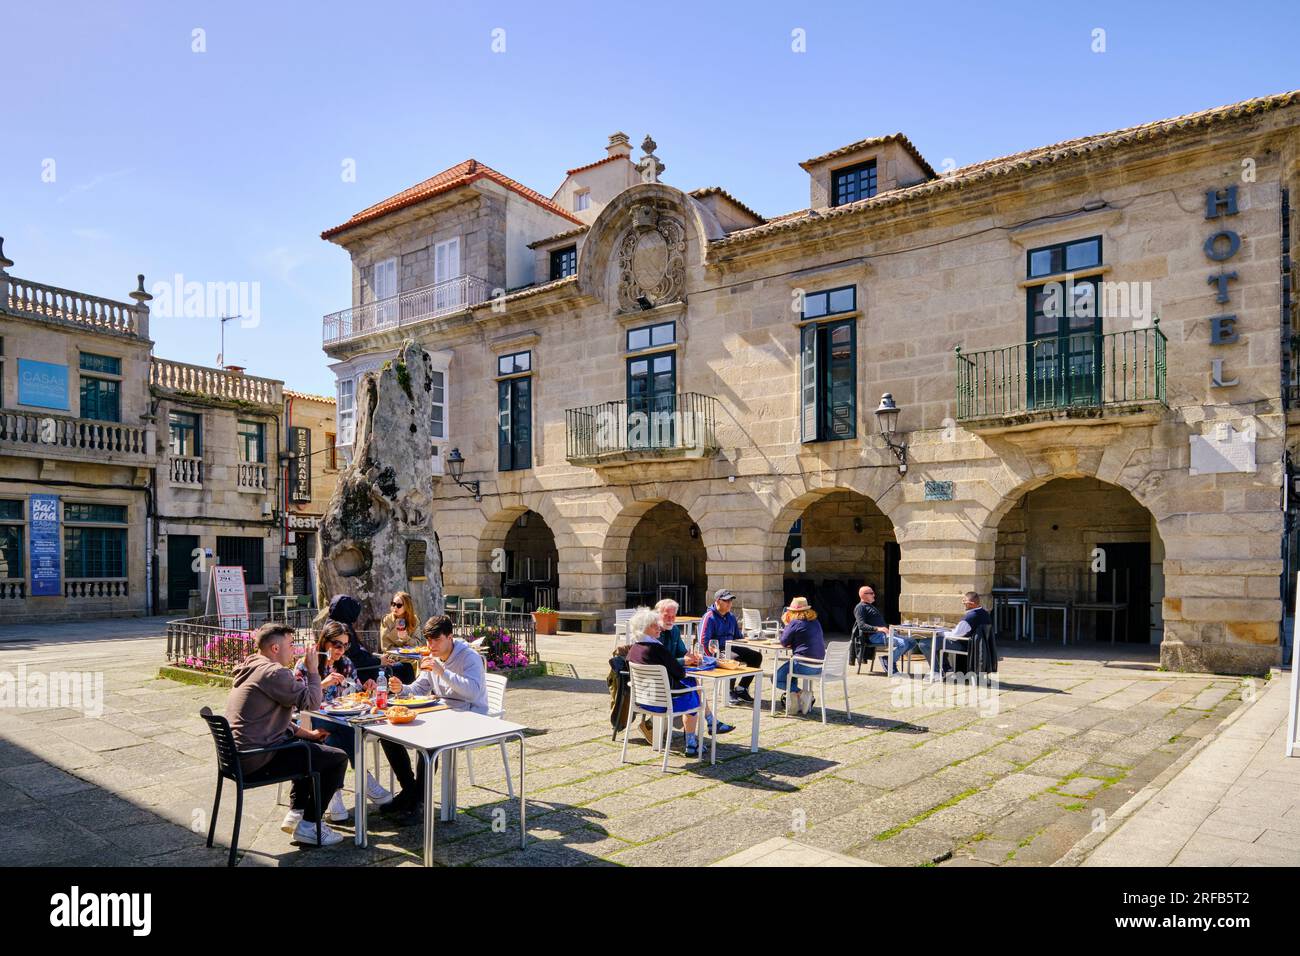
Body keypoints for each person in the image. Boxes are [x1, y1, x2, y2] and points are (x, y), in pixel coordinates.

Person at [225, 622, 348, 847]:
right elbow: (311, 703)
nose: (294, 650)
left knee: (308, 747)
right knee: (336, 758)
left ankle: (298, 812)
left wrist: (308, 734)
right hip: (257, 759)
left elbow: (273, 721)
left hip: (241, 757)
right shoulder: (273, 672)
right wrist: (313, 670)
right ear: (274, 649)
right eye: (291, 645)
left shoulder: (253, 666)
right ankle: (310, 826)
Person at [380, 614, 488, 816]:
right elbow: (420, 688)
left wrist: (442, 672)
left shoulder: (469, 657)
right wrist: (401, 688)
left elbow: (473, 692)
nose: (432, 645)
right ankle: (411, 791)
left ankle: (416, 802)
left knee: (429, 743)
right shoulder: (432, 656)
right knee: (387, 735)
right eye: (429, 640)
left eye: (437, 640)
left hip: (470, 714)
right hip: (442, 711)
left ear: (450, 637)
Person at [292, 622, 393, 821]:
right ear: (324, 642)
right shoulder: (306, 664)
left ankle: (335, 795)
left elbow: (355, 693)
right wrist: (322, 683)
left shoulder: (345, 663)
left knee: (338, 732)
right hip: (309, 720)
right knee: (342, 730)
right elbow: (298, 701)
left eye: (345, 645)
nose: (340, 650)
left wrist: (367, 687)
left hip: (338, 719)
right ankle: (364, 778)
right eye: (336, 644)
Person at [626, 606, 706, 757]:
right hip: (664, 703)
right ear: (644, 628)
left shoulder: (634, 649)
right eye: (654, 625)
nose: (659, 628)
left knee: (688, 686)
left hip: (643, 701)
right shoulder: (657, 649)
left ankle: (687, 737)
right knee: (693, 688)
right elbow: (680, 672)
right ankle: (691, 742)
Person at [656, 598, 732, 735]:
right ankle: (706, 726)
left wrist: (692, 657)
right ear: (657, 614)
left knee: (694, 684)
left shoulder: (674, 631)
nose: (670, 619)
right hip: (659, 683)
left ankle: (709, 723)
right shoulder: (653, 633)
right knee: (693, 687)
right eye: (666, 615)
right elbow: (660, 661)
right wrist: (683, 661)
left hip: (671, 676)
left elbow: (683, 652)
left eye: (673, 616)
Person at [699, 589, 761, 705]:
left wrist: (749, 639)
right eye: (726, 601)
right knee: (733, 659)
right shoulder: (709, 617)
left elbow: (738, 637)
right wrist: (711, 659)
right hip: (717, 650)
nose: (729, 604)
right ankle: (729, 690)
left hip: (732, 647)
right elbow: (703, 641)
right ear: (718, 601)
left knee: (756, 656)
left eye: (731, 601)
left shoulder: (731, 617)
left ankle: (742, 688)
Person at [853, 585, 919, 677]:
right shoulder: (860, 607)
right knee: (903, 643)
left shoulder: (870, 606)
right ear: (864, 595)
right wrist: (878, 629)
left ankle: (888, 659)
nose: (874, 595)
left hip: (884, 633)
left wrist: (891, 628)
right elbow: (861, 625)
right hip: (874, 636)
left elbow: (880, 623)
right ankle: (890, 662)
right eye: (871, 593)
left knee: (912, 641)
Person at [775, 597, 826, 715]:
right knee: (790, 675)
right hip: (818, 666)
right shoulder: (816, 622)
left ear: (792, 612)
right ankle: (795, 703)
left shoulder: (795, 623)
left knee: (777, 679)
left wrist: (787, 625)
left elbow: (783, 642)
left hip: (802, 664)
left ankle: (802, 694)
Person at [937, 592, 995, 676]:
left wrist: (941, 632)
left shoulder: (970, 617)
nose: (963, 603)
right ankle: (946, 669)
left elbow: (954, 636)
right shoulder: (985, 614)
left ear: (972, 604)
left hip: (967, 646)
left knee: (931, 643)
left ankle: (941, 672)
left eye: (965, 601)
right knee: (940, 642)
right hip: (978, 646)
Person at [328, 594, 382, 684]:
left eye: (345, 645)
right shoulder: (343, 630)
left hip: (361, 670)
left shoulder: (331, 623)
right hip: (363, 671)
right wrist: (378, 661)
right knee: (404, 668)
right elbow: (356, 660)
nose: (342, 649)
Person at [379, 591, 419, 684]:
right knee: (407, 665)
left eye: (399, 605)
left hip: (412, 657)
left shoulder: (414, 620)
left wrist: (406, 638)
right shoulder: (387, 620)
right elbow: (385, 647)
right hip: (394, 657)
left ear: (407, 607)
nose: (394, 607)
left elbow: (418, 643)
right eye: (393, 604)